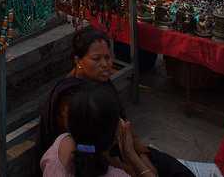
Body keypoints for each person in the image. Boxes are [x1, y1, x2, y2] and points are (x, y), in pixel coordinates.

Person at [38, 29, 191, 177]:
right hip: (92, 161)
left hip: (120, 148)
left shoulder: (99, 83)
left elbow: (122, 124)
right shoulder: (71, 100)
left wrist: (140, 153)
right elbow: (89, 150)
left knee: (178, 171)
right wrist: (133, 165)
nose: (105, 64)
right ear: (78, 61)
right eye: (96, 59)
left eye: (108, 57)